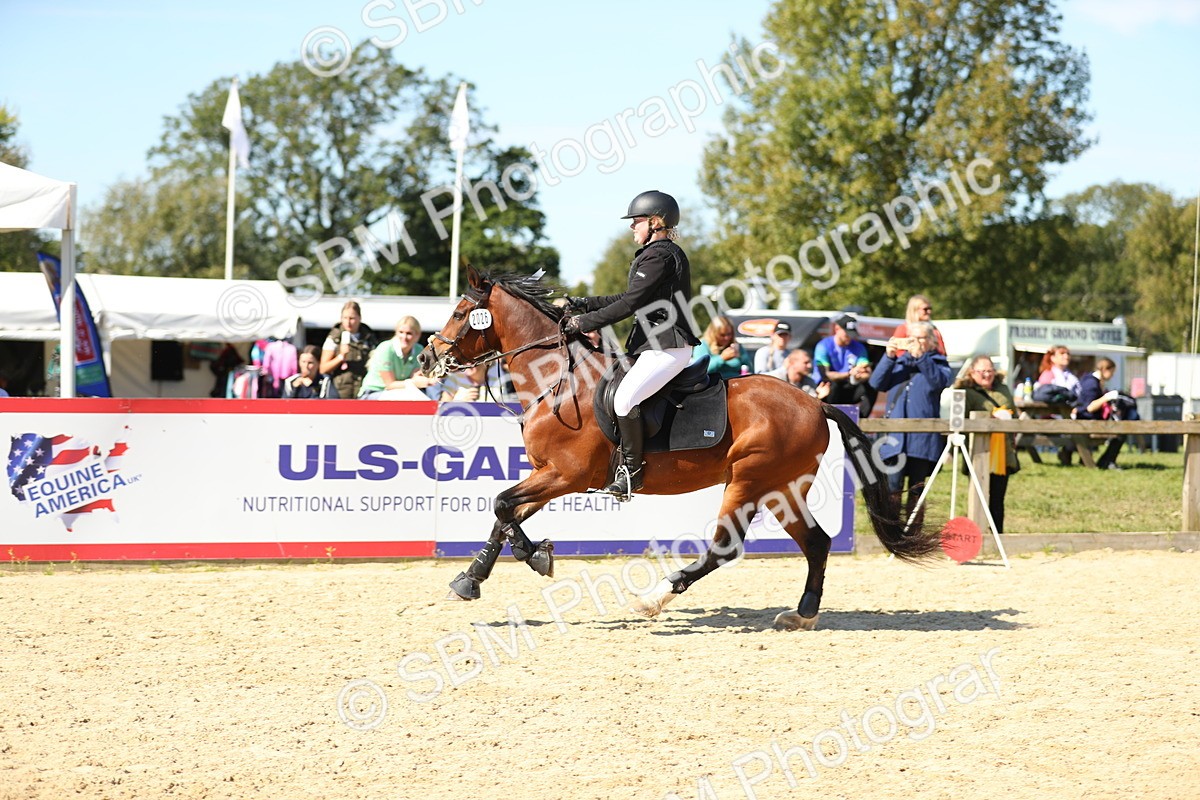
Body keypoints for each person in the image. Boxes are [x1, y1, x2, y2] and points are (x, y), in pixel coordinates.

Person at [562, 190, 699, 499]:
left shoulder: (661, 255)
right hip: (651, 346)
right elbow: (627, 298)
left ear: (655, 222)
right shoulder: (655, 254)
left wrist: (582, 322)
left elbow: (629, 304)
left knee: (624, 400)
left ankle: (632, 474)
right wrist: (585, 303)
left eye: (636, 221)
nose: (631, 227)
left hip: (667, 347)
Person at [868, 321, 952, 507]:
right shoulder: (899, 362)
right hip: (895, 440)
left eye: (920, 338)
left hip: (922, 440)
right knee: (892, 489)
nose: (915, 342)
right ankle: (892, 534)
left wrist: (921, 357)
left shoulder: (940, 363)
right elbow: (876, 383)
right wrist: (889, 356)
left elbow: (939, 382)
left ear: (931, 340)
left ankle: (913, 534)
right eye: (911, 338)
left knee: (917, 491)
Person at [955, 354, 1020, 533]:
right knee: (977, 497)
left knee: (998, 499)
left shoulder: (1004, 389)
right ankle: (975, 536)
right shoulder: (965, 392)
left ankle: (997, 536)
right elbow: (961, 420)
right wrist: (990, 419)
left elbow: (1013, 413)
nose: (986, 374)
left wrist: (1008, 417)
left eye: (990, 370)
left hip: (1003, 452)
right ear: (972, 372)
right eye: (982, 371)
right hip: (979, 452)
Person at [1075, 357, 1139, 470]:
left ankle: (1105, 461)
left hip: (1086, 421)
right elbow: (1089, 408)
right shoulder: (1091, 383)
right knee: (1121, 432)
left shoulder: (1090, 380)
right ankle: (1107, 461)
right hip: (1087, 422)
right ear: (1105, 369)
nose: (1112, 376)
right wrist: (1106, 397)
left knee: (1121, 427)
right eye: (1112, 372)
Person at [359, 316, 436, 399]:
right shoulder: (386, 348)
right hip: (373, 392)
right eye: (401, 332)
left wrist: (427, 380)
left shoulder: (419, 349)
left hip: (401, 392)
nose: (404, 337)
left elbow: (415, 376)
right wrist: (413, 382)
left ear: (418, 335)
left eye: (409, 333)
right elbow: (389, 385)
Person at [815, 314, 876, 417]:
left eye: (852, 334)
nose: (850, 337)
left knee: (872, 385)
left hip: (849, 386)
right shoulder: (823, 346)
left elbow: (865, 368)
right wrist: (849, 373)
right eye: (846, 333)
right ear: (837, 328)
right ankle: (831, 417)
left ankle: (861, 420)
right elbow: (826, 374)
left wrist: (863, 375)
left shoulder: (858, 347)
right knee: (832, 385)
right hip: (827, 389)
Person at [320, 301, 379, 399]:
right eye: (345, 318)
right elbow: (323, 368)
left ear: (359, 318)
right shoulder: (334, 337)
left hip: (363, 390)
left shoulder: (369, 337)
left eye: (352, 318)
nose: (348, 322)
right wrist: (341, 356)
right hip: (339, 391)